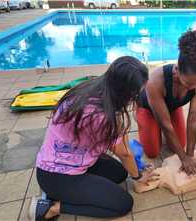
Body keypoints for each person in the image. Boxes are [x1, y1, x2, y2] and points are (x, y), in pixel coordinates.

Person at [29, 56, 158, 221]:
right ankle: (51, 208)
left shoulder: (96, 88)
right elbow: (124, 153)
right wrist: (138, 177)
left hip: (69, 159)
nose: (137, 98)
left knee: (119, 173)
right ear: (124, 93)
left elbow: (123, 145)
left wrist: (134, 168)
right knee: (123, 203)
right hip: (56, 176)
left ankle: (64, 193)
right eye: (135, 94)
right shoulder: (101, 115)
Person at [136, 29, 196, 175]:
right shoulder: (155, 82)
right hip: (147, 108)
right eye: (188, 84)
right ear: (177, 71)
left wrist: (189, 154)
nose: (193, 87)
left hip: (171, 107)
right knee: (152, 152)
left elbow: (194, 117)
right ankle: (145, 125)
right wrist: (183, 158)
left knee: (180, 144)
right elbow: (165, 125)